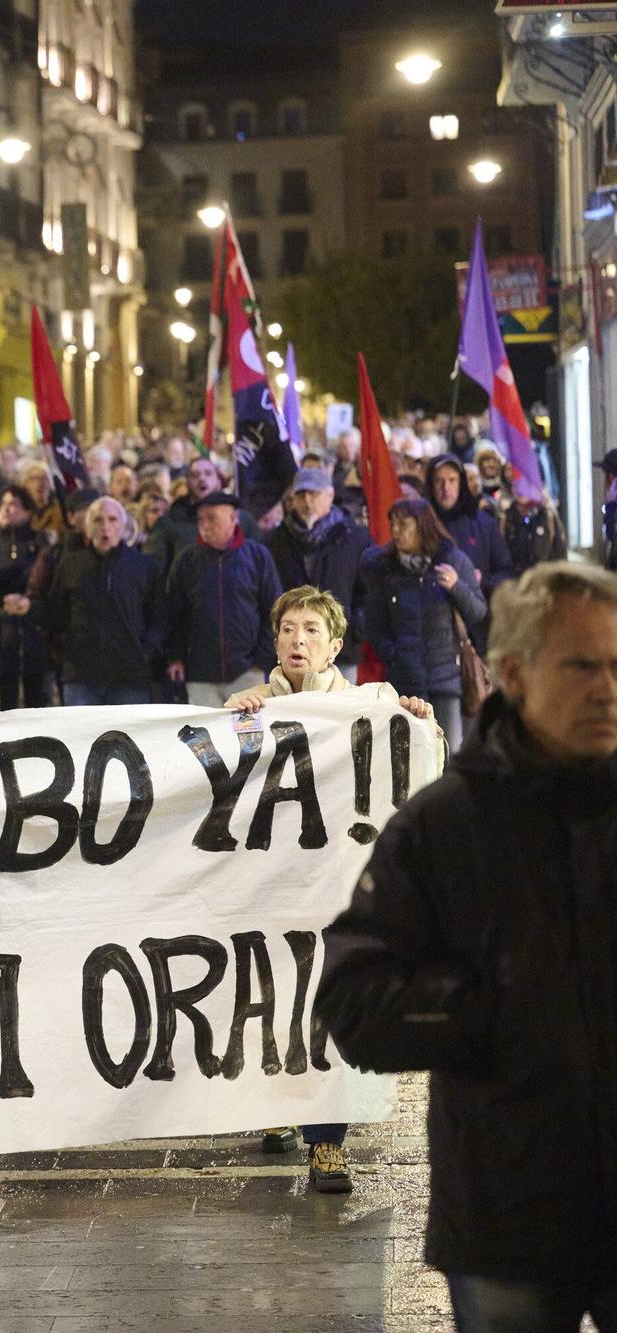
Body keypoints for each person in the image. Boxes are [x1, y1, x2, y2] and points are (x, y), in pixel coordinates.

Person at [317, 564, 617, 1332]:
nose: (608, 687)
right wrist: (494, 1009)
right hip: (507, 1211)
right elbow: (354, 1003)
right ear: (512, 671)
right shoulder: (443, 825)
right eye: (584, 664)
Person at [221, 585, 441, 1194]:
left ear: (334, 646)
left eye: (311, 631)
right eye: (289, 629)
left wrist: (418, 725)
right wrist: (233, 718)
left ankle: (327, 1143)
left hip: (334, 891)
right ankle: (278, 1107)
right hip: (268, 891)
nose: (298, 640)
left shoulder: (367, 706)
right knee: (267, 1000)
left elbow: (426, 766)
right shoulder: (251, 706)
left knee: (323, 1005)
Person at [358, 499, 488, 754]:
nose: (396, 530)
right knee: (408, 757)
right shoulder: (387, 570)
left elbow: (478, 613)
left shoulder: (453, 560)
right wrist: (394, 656)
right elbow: (374, 622)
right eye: (393, 523)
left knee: (448, 754)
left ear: (423, 526)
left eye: (404, 523)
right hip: (404, 683)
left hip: (447, 679)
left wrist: (455, 587)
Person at [166, 493, 284, 707]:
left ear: (233, 518)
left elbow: (274, 610)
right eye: (200, 519)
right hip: (200, 674)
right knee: (206, 739)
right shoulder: (186, 561)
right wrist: (176, 657)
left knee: (248, 738)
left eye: (211, 518)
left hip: (247, 671)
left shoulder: (257, 556)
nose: (204, 525)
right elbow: (173, 614)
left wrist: (261, 660)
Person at [44, 496, 164, 706]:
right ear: (88, 528)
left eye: (112, 519)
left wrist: (145, 650)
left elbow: (160, 616)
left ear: (124, 527)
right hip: (81, 677)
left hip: (130, 677)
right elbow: (55, 614)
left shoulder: (143, 566)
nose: (105, 527)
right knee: (80, 738)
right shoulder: (71, 565)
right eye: (98, 520)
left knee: (129, 739)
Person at [265, 468, 373, 682]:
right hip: (292, 654)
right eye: (301, 494)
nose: (307, 500)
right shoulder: (274, 542)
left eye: (314, 493)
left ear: (330, 496)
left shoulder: (355, 538)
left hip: (341, 650)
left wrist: (353, 631)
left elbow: (369, 592)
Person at [0, 485, 52, 711]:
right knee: (6, 700)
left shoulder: (38, 542)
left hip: (34, 629)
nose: (7, 509)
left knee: (37, 698)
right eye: (4, 504)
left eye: (14, 504)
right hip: (1, 629)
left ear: (28, 510)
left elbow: (44, 576)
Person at [429, 456, 515, 605]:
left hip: (477, 614)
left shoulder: (484, 524)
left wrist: (482, 581)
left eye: (452, 480)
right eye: (438, 481)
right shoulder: (423, 525)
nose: (445, 488)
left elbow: (505, 571)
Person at [145, 456, 224, 574]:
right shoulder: (168, 523)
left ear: (218, 481)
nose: (202, 478)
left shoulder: (239, 518)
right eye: (195, 475)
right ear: (187, 481)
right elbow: (153, 570)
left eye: (208, 473)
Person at [501, 490, 568, 577]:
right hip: (515, 583)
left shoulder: (547, 517)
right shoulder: (506, 518)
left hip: (544, 583)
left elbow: (560, 556)